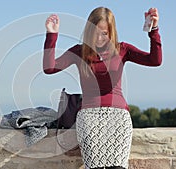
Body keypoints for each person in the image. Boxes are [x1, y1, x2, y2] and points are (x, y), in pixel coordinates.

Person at [43, 7, 162, 169]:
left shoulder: (122, 49)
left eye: (104, 33)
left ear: (111, 32)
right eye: (95, 33)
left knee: (118, 167)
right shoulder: (80, 52)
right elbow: (49, 68)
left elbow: (155, 60)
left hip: (118, 118)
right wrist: (52, 35)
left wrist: (153, 30)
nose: (99, 38)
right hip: (89, 118)